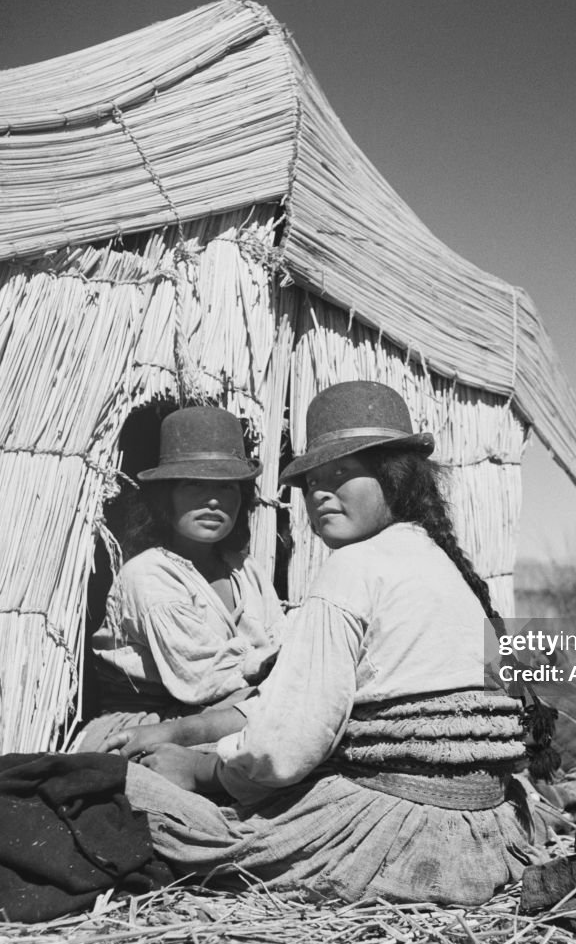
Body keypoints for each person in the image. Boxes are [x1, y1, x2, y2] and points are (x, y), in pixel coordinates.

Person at [118, 381, 543, 904]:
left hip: (404, 835)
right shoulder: (438, 559)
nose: (320, 492)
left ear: (395, 475)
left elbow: (284, 749)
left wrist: (200, 767)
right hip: (484, 829)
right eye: (313, 480)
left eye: (342, 473)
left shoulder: (351, 569)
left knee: (146, 805)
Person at [74, 406, 285, 754]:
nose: (214, 500)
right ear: (164, 497)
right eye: (194, 484)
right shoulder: (149, 574)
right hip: (149, 727)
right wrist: (272, 668)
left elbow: (280, 641)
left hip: (221, 713)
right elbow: (203, 678)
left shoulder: (245, 568)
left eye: (227, 487)